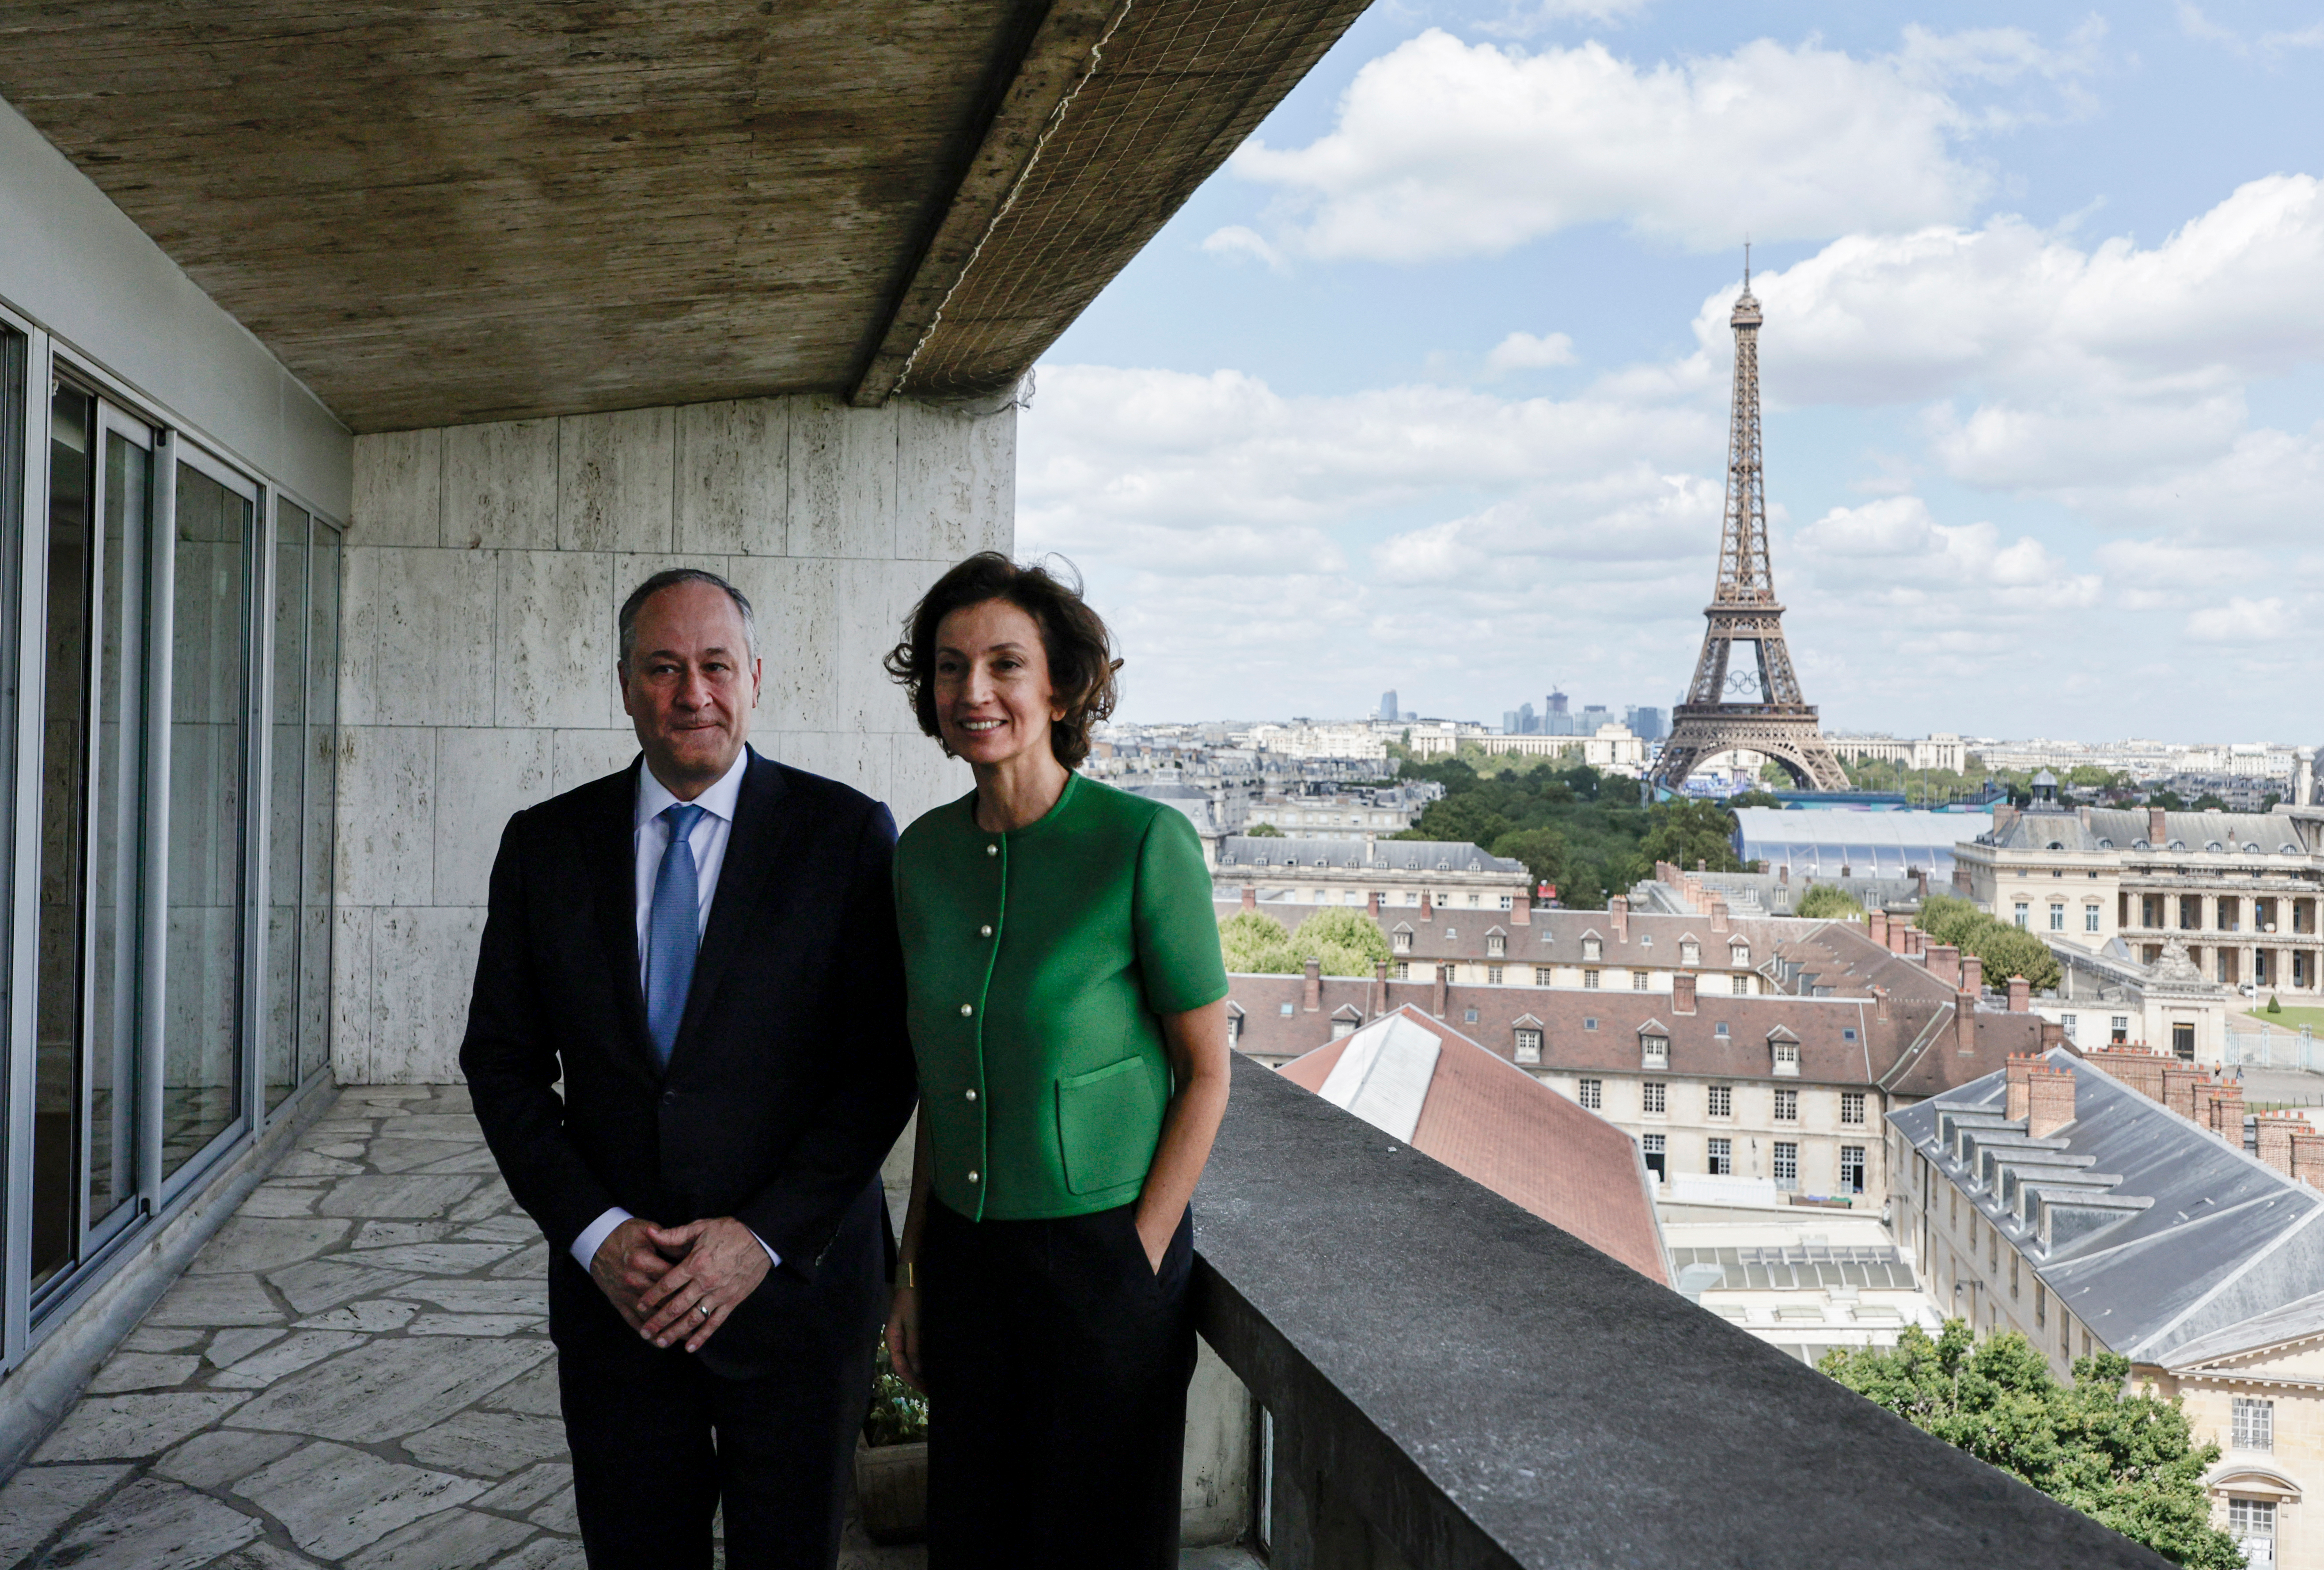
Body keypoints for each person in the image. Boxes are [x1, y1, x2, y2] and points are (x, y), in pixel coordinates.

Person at [461, 568, 917, 1570]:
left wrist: (759, 1240)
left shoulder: (845, 839)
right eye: (662, 668)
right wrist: (597, 1236)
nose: (691, 694)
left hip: (794, 1301)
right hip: (618, 1307)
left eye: (714, 666)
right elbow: (501, 1065)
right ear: (623, 685)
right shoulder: (543, 847)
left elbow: (881, 1070)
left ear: (754, 678)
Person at [882, 553, 1233, 1567]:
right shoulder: (921, 856)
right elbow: (943, 1098)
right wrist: (911, 1272)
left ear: (1060, 686)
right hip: (965, 1261)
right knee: (975, 1541)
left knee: (1100, 1546)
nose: (973, 692)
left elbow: (1207, 1073)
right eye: (950, 669)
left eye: (1003, 664)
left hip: (1102, 1261)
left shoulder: (1142, 843)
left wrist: (1139, 1257)